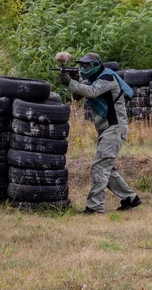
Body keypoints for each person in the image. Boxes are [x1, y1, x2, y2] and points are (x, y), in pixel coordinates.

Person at [58, 52, 141, 214]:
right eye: (82, 65)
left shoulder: (107, 77)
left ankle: (95, 207)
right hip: (106, 129)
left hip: (115, 128)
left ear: (96, 65)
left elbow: (91, 92)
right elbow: (77, 96)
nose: (84, 68)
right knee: (106, 167)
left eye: (87, 66)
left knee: (100, 167)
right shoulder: (92, 80)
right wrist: (71, 80)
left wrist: (70, 82)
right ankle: (130, 198)